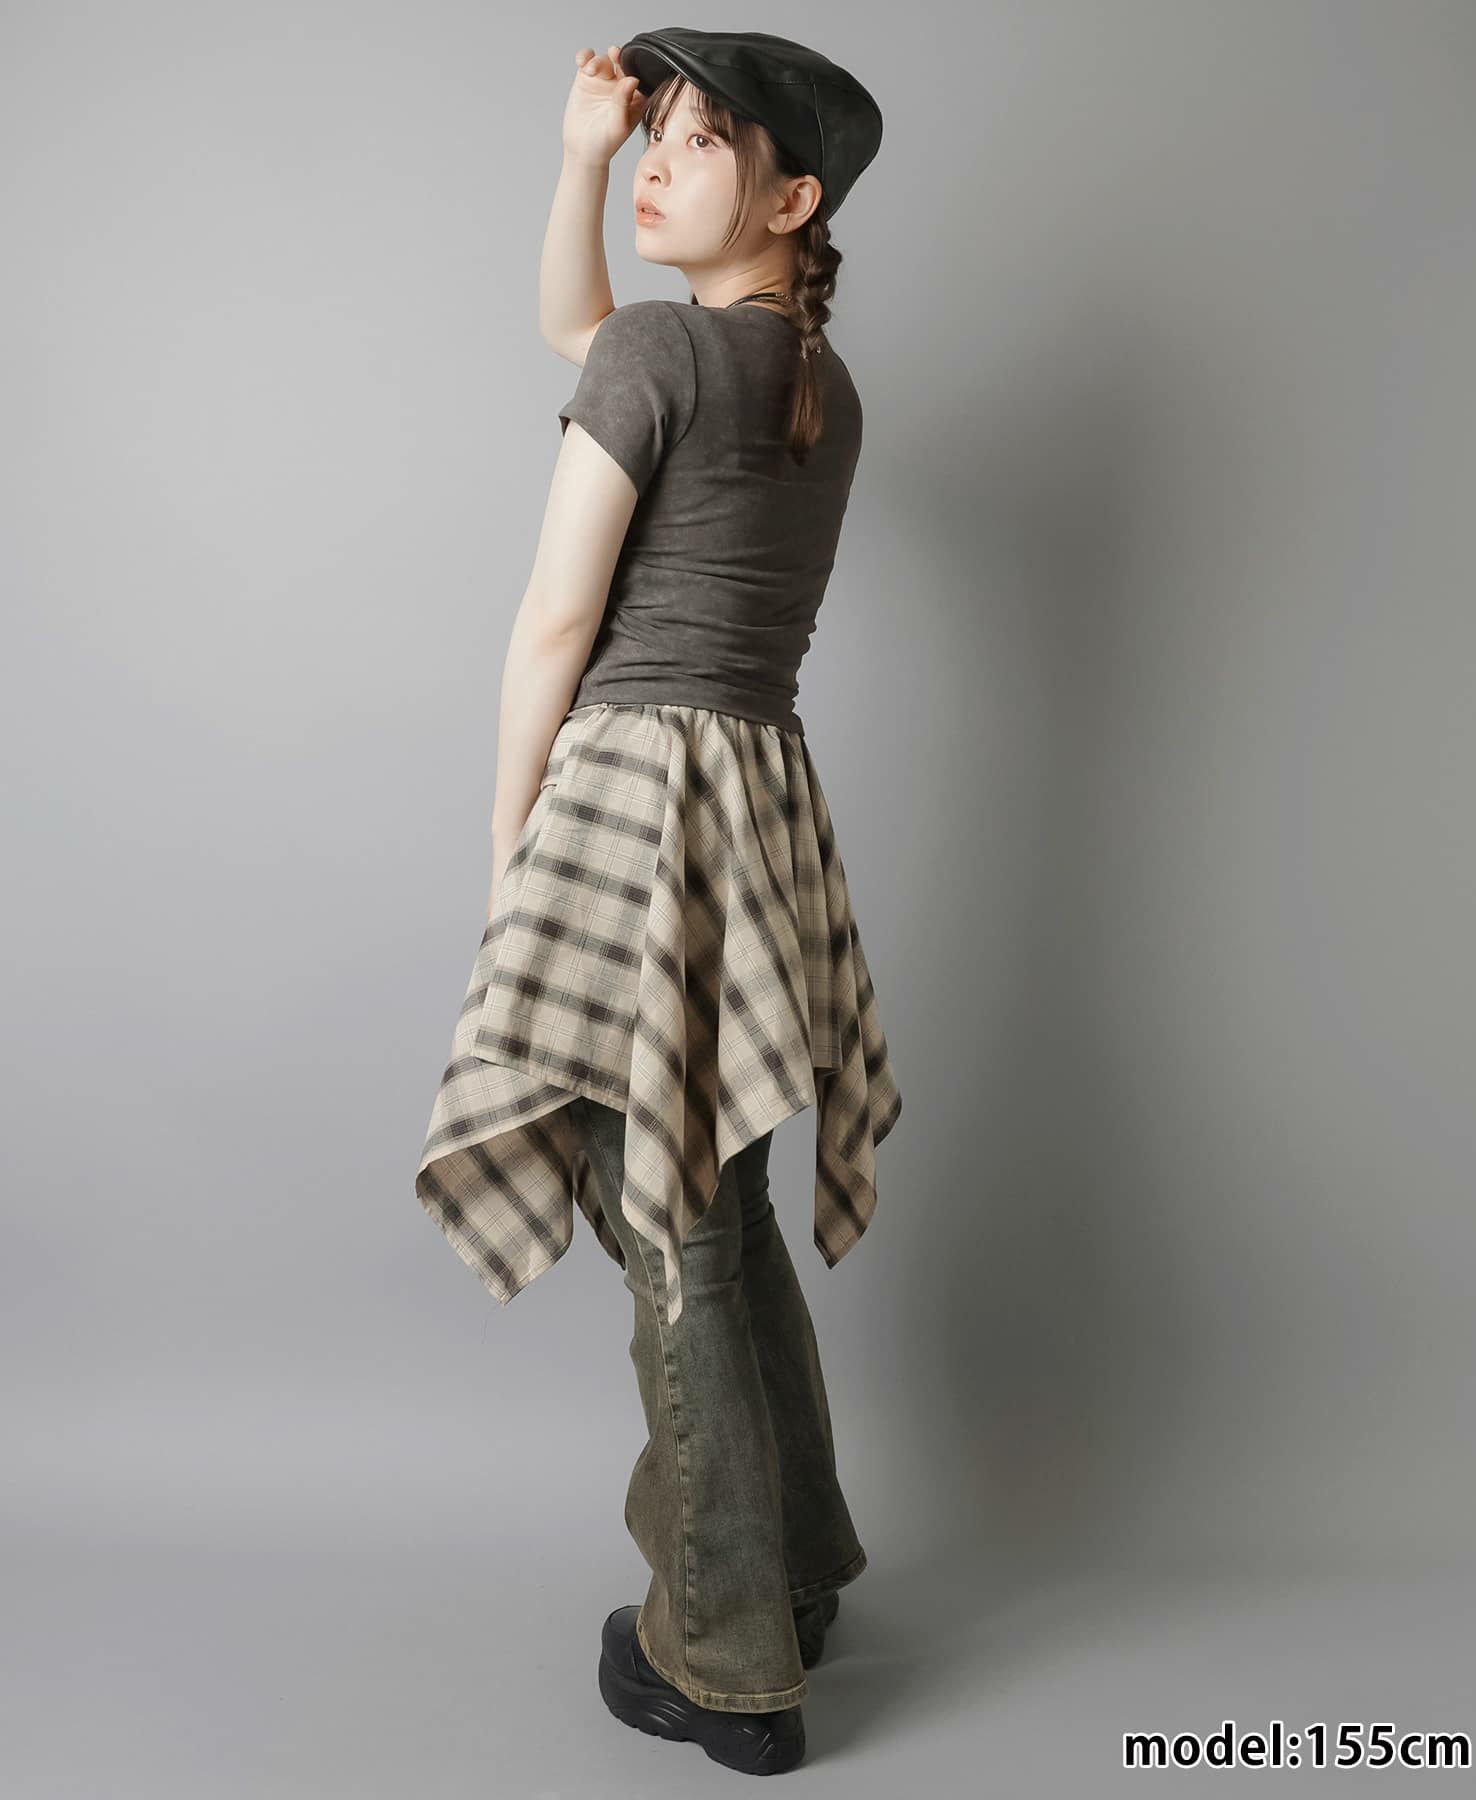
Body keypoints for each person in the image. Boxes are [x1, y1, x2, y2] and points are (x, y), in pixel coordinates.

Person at [413, 27, 899, 1778]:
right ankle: (795, 1565)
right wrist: (579, 156)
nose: (657, 158)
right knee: (725, 1206)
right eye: (656, 134)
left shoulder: (659, 356)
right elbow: (590, 327)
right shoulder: (813, 385)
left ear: (791, 198)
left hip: (632, 797)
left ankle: (726, 1663)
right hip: (761, 799)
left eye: (700, 141)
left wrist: (509, 848)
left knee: (669, 1225)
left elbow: (557, 620)